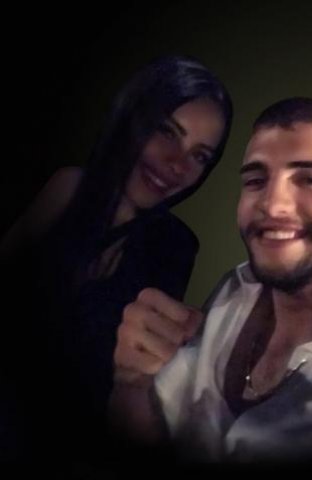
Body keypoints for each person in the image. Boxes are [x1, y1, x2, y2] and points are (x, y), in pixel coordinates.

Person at [109, 97, 312, 472]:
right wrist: (132, 382)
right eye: (255, 180)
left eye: (311, 180)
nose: (272, 203)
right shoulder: (234, 289)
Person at [0, 55, 232, 460]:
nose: (177, 164)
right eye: (166, 131)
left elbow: (129, 383)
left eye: (199, 156)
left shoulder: (174, 246)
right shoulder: (67, 189)